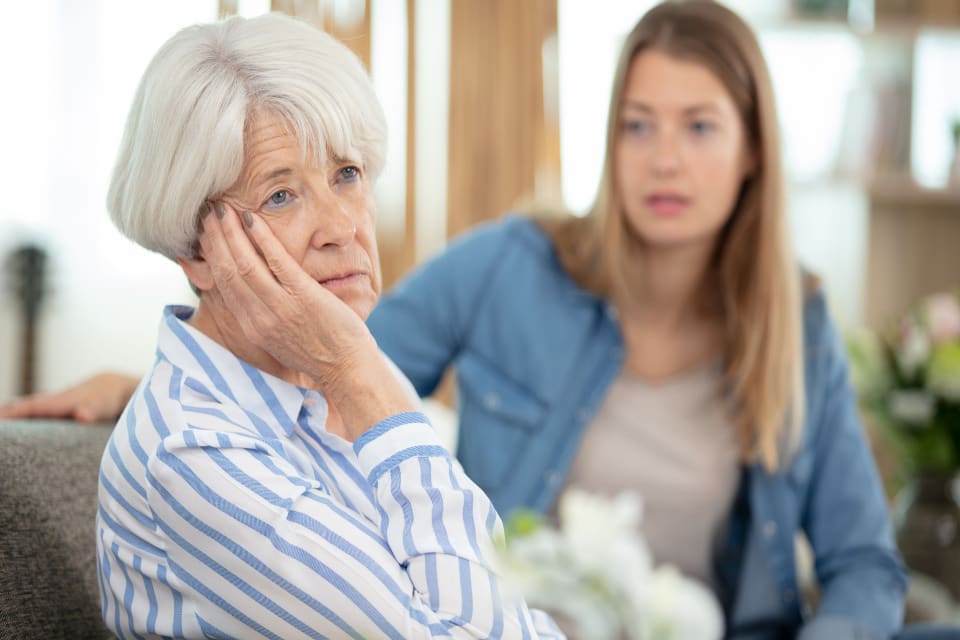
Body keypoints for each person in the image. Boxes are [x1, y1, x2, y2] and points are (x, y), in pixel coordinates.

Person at [1, 2, 911, 638]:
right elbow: (343, 360)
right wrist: (145, 383)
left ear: (756, 149)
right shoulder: (512, 264)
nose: (664, 159)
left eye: (699, 127)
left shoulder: (800, 319)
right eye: (638, 125)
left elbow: (339, 370)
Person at [85, 12, 563, 640]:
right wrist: (360, 374)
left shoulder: (334, 368)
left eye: (347, 174)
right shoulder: (195, 454)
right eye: (281, 195)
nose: (343, 228)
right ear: (197, 251)